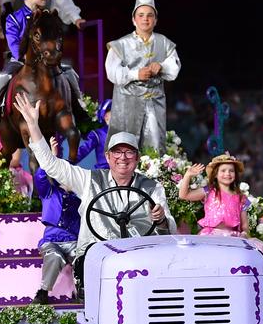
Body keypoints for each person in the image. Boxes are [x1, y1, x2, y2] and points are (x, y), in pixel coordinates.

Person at [14, 91, 176, 284]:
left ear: (137, 158)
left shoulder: (152, 187)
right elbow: (51, 165)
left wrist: (161, 220)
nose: (122, 158)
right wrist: (33, 125)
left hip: (140, 261)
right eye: (117, 152)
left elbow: (168, 230)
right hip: (98, 260)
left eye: (129, 152)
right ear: (107, 157)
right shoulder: (89, 180)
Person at [105, 0, 181, 153]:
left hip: (154, 103)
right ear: (134, 20)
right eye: (141, 15)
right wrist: (135, 74)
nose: (145, 19)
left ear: (155, 20)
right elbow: (112, 72)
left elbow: (174, 67)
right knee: (126, 147)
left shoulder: (164, 42)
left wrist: (161, 66)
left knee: (154, 148)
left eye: (149, 15)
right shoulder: (121, 44)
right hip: (127, 104)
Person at [0, 0, 50, 124]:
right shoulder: (13, 18)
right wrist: (23, 57)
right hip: (21, 60)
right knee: (2, 78)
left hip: (45, 61)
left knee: (69, 73)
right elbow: (13, 43)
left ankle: (78, 107)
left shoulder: (47, 17)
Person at [33, 136, 82, 304]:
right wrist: (51, 158)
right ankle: (43, 292)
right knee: (54, 256)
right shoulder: (49, 192)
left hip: (75, 242)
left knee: (82, 257)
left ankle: (82, 291)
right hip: (52, 241)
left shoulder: (80, 197)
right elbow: (40, 177)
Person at [178, 155, 249, 236]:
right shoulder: (209, 191)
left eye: (231, 171)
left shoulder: (241, 198)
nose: (227, 173)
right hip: (210, 235)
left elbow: (244, 225)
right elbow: (183, 195)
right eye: (223, 170)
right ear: (215, 174)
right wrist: (187, 175)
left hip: (232, 237)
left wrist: (244, 234)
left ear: (235, 174)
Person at [76, 99, 113, 169]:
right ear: (105, 117)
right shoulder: (98, 134)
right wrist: (67, 162)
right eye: (113, 113)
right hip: (104, 174)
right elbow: (83, 150)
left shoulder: (123, 132)